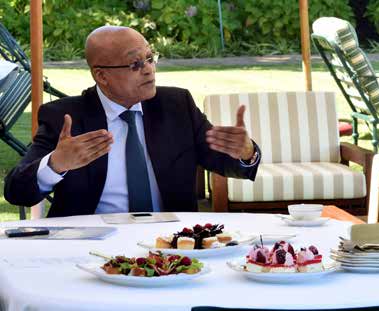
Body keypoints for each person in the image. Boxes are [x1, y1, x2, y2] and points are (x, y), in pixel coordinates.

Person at [4, 26, 261, 217]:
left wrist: (245, 152)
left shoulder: (177, 105)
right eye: (136, 64)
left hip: (168, 240)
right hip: (89, 243)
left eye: (150, 58)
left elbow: (227, 163)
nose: (149, 69)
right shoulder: (65, 117)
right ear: (102, 76)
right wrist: (56, 164)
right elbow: (17, 191)